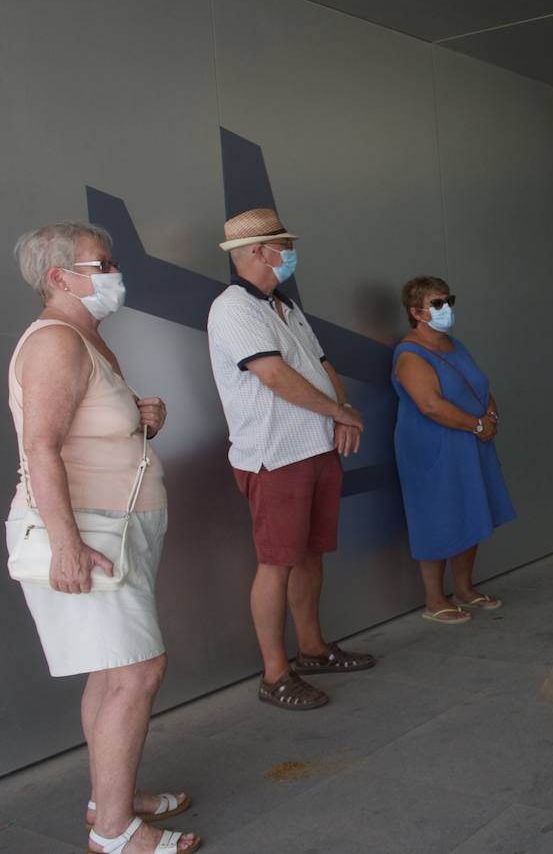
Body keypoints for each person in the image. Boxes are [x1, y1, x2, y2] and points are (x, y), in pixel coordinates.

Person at [7, 223, 200, 853]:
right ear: (60, 277)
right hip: (89, 533)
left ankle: (107, 797)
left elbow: (90, 432)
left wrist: (142, 422)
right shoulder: (56, 343)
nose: (115, 271)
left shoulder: (85, 338)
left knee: (111, 671)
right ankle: (116, 833)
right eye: (102, 263)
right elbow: (40, 448)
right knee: (136, 673)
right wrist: (65, 543)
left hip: (116, 527)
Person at [206, 208, 375, 711]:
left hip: (316, 447)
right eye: (284, 246)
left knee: (309, 555)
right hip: (275, 455)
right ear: (259, 252)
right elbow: (274, 376)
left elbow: (321, 363)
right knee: (277, 562)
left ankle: (313, 649)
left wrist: (341, 413)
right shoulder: (233, 308)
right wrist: (339, 414)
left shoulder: (284, 305)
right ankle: (275, 674)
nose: (290, 255)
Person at [392, 276, 515, 624]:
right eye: (437, 304)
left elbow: (478, 384)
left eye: (448, 300)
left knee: (471, 510)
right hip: (434, 448)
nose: (446, 309)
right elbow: (430, 405)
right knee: (436, 515)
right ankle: (434, 599)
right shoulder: (410, 354)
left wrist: (489, 414)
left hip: (470, 442)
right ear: (416, 312)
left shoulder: (454, 345)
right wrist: (477, 425)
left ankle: (464, 588)